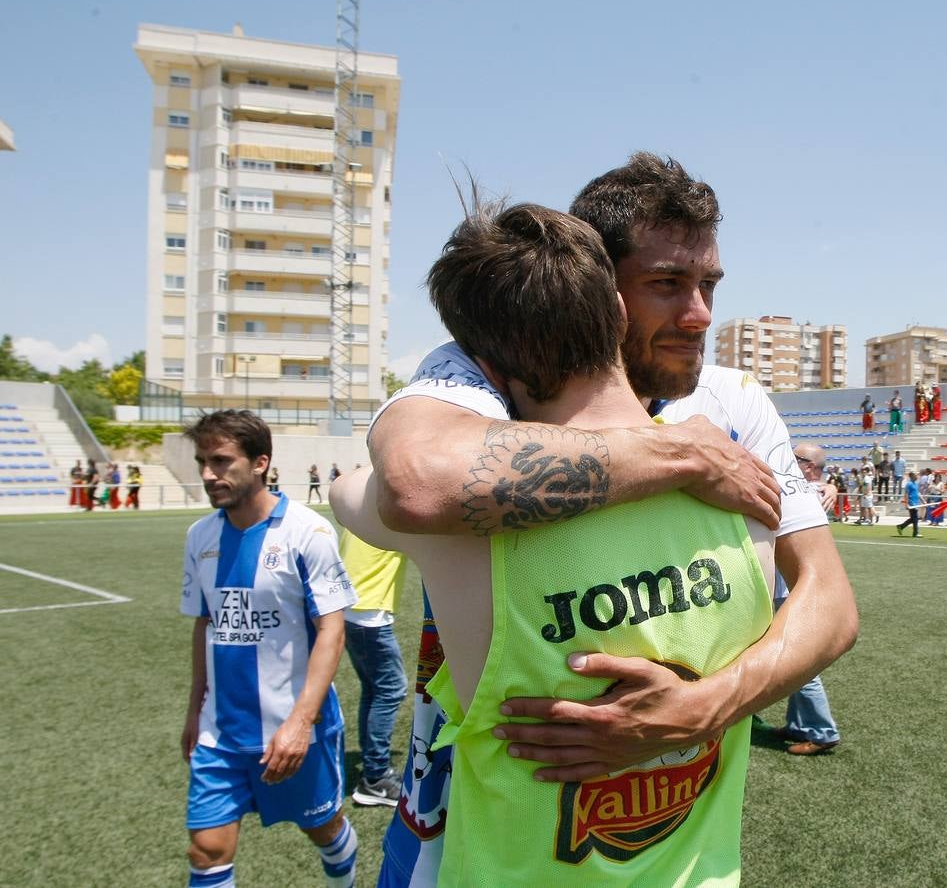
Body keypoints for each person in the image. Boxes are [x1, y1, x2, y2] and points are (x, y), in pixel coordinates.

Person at [364, 155, 856, 886]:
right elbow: (414, 483)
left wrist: (700, 709)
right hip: (457, 783)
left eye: (709, 285)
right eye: (667, 284)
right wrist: (672, 458)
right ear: (602, 289)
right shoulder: (481, 364)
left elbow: (830, 599)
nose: (699, 315)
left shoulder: (734, 404)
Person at [179, 411, 359, 888]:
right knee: (206, 850)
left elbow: (332, 630)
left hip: (295, 728)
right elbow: (206, 624)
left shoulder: (307, 533)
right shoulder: (200, 537)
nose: (207, 474)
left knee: (324, 830)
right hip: (221, 733)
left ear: (261, 463)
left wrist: (300, 723)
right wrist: (195, 709)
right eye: (202, 461)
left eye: (220, 461)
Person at [775, 443, 844, 755]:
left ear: (811, 468)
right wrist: (831, 485)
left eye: (796, 457)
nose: (788, 459)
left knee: (799, 660)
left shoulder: (801, 490)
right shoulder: (813, 488)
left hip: (785, 586)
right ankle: (800, 724)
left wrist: (830, 485)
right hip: (793, 583)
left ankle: (821, 730)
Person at [337, 529, 410, 808]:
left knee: (374, 690)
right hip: (368, 612)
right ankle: (376, 777)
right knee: (392, 689)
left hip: (352, 608)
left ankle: (374, 771)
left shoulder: (363, 508)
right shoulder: (385, 511)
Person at [895, 470, 922, 537]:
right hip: (911, 503)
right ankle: (915, 533)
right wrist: (906, 504)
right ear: (912, 476)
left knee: (913, 519)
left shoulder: (916, 484)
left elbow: (918, 493)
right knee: (915, 518)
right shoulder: (909, 484)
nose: (917, 476)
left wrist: (923, 500)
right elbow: (906, 494)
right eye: (916, 475)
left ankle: (900, 527)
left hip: (916, 503)